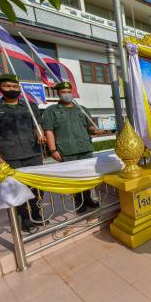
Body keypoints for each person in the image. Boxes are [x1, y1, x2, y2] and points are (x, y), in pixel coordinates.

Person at [0, 74, 46, 232]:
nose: (12, 89)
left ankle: (36, 213)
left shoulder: (30, 106)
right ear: (0, 89)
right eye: (7, 86)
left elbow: (36, 126)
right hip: (10, 156)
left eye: (15, 87)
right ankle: (25, 218)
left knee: (37, 187)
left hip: (33, 154)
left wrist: (40, 135)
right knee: (17, 190)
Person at [42, 82, 106, 212]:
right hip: (67, 151)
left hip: (85, 148)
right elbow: (49, 131)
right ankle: (79, 203)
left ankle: (88, 199)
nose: (67, 94)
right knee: (74, 178)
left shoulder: (81, 109)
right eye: (64, 92)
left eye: (69, 91)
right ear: (58, 94)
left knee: (87, 176)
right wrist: (52, 150)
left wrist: (96, 130)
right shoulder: (52, 110)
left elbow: (89, 127)